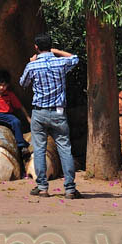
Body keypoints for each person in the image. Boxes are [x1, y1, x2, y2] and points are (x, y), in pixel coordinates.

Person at [19, 33, 81, 199]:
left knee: (39, 149)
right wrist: (57, 51)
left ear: (36, 48)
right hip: (58, 113)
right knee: (65, 149)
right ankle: (69, 189)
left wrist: (31, 62)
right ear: (50, 46)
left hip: (39, 113)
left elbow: (23, 83)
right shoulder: (60, 62)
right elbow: (75, 58)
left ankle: (42, 187)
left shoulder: (32, 66)